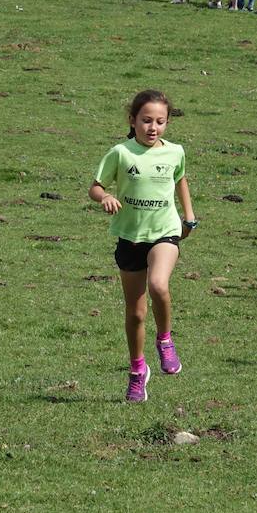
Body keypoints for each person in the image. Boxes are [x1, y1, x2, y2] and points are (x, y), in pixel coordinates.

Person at [89, 89, 196, 403]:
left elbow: (180, 179)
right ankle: (137, 371)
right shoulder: (121, 153)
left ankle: (165, 340)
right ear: (133, 120)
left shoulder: (175, 152)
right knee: (136, 314)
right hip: (130, 236)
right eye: (147, 120)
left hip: (165, 231)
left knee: (159, 285)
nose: (153, 128)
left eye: (160, 122)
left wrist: (188, 216)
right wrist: (105, 197)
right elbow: (95, 187)